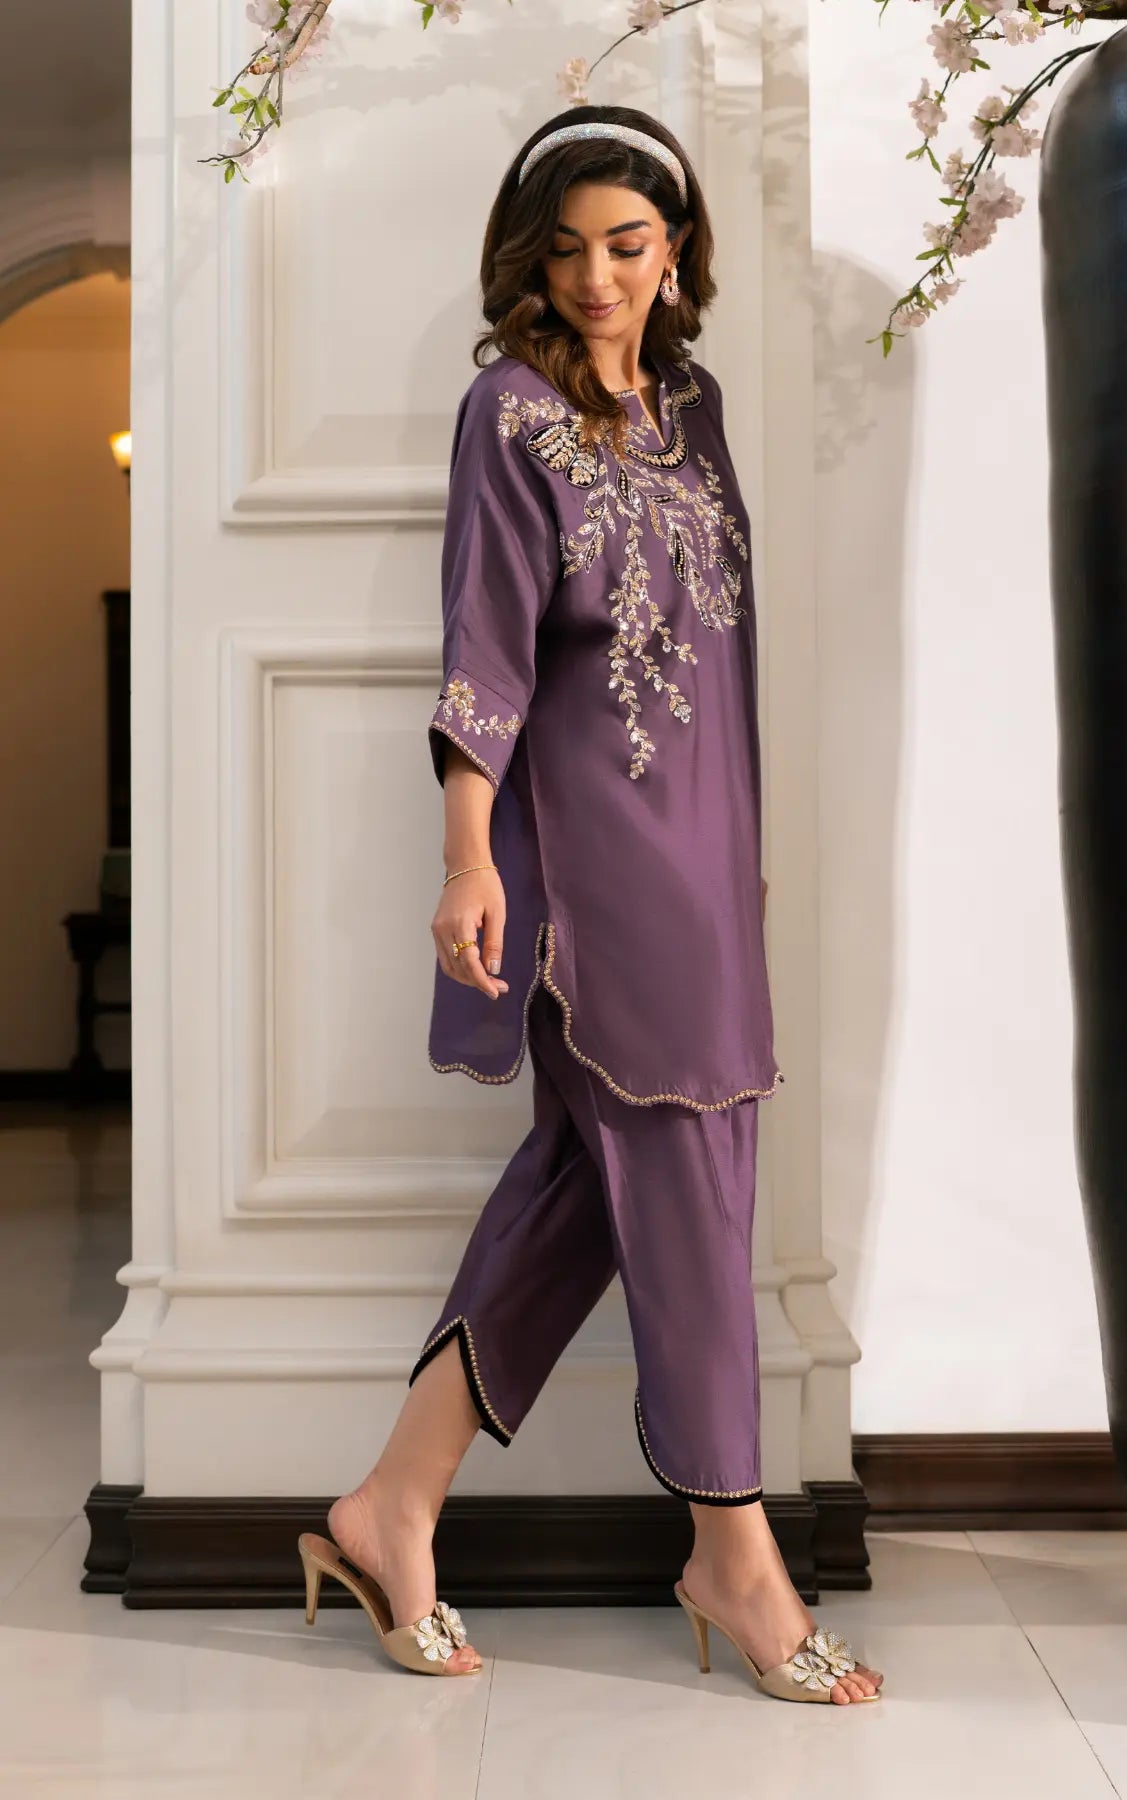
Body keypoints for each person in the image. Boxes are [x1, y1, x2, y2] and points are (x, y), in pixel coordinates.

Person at [297, 104, 884, 1706]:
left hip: (701, 868)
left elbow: (727, 660)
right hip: (586, 869)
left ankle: (388, 1509)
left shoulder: (694, 410)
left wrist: (741, 848)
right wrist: (468, 856)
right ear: (533, 262)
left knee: (585, 1185)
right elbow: (483, 651)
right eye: (567, 252)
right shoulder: (508, 413)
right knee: (687, 1181)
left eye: (627, 246)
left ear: (674, 251)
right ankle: (734, 1553)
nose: (597, 278)